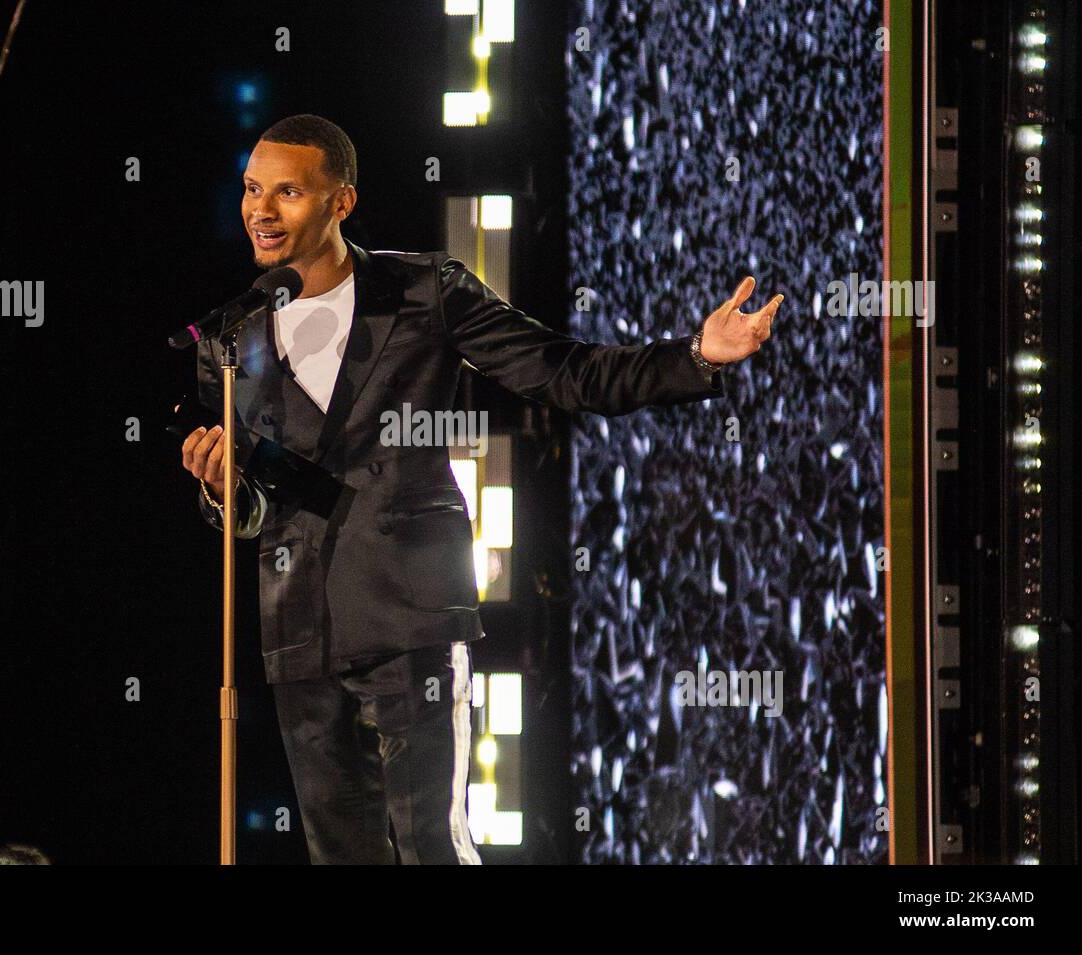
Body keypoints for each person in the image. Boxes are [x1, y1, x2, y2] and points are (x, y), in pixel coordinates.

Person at [180, 114, 781, 864]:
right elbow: (259, 507)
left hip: (411, 612)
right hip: (299, 629)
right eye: (250, 189)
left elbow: (567, 372)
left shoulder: (422, 291)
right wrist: (224, 488)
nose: (260, 211)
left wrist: (695, 355)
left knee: (434, 842)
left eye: (287, 192)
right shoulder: (234, 341)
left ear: (341, 201)